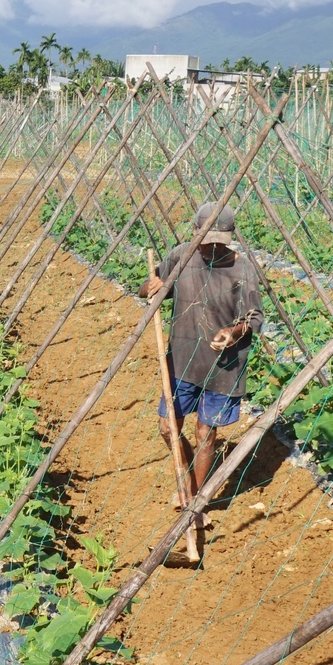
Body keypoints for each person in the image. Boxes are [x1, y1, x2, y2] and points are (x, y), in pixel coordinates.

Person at [141, 204, 264, 504]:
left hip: (224, 368)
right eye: (206, 241)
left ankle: (193, 499)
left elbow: (255, 317)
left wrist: (233, 333)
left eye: (218, 242)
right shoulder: (180, 257)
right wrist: (152, 286)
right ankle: (185, 474)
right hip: (182, 364)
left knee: (205, 434)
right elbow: (146, 289)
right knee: (168, 427)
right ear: (195, 232)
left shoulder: (243, 269)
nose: (210, 248)